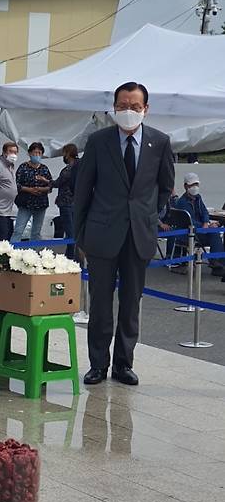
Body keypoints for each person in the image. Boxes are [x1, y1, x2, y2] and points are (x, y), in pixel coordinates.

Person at [74, 81, 174, 387]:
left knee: (131, 304)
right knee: (101, 303)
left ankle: (123, 364)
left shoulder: (160, 142)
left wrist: (149, 217)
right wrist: (81, 234)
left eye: (134, 106)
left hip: (139, 235)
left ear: (146, 108)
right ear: (114, 107)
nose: (128, 111)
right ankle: (97, 364)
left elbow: (166, 187)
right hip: (103, 234)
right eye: (122, 106)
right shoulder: (99, 141)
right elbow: (83, 190)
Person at [175, 172, 224, 276]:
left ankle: (217, 263)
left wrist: (206, 223)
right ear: (185, 186)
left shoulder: (198, 198)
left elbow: (205, 211)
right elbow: (189, 221)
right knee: (215, 235)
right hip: (190, 233)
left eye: (196, 184)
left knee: (215, 233)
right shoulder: (182, 202)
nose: (195, 187)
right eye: (192, 185)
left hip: (200, 230)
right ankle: (216, 263)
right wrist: (205, 227)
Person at [11, 142, 52, 244]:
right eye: (35, 153)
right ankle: (12, 254)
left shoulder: (44, 169)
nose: (37, 155)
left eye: (39, 153)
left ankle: (34, 254)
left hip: (41, 204)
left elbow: (51, 185)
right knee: (18, 230)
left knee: (36, 232)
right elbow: (16, 184)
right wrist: (28, 189)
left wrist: (43, 189)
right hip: (25, 204)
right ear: (29, 153)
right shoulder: (23, 167)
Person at [51, 143, 80, 258]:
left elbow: (58, 183)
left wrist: (46, 181)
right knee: (75, 232)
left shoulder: (69, 168)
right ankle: (76, 258)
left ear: (67, 153)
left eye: (64, 153)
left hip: (67, 203)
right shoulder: (81, 165)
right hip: (77, 203)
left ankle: (70, 258)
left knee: (70, 233)